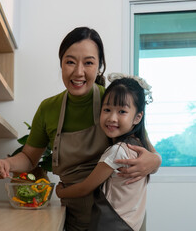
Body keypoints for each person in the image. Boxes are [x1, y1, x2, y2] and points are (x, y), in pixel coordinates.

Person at [0, 27, 162, 231]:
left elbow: (147, 151)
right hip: (73, 214)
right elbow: (29, 158)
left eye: (88, 62)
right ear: (61, 64)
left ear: (99, 66)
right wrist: (6, 163)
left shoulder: (113, 104)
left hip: (119, 219)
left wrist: (156, 160)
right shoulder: (48, 108)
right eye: (70, 62)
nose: (78, 72)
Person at [55, 74, 153, 231]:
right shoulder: (141, 148)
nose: (112, 118)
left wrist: (60, 192)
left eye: (122, 111)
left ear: (137, 117)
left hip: (112, 225)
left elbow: (85, 187)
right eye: (107, 109)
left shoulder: (117, 152)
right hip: (134, 224)